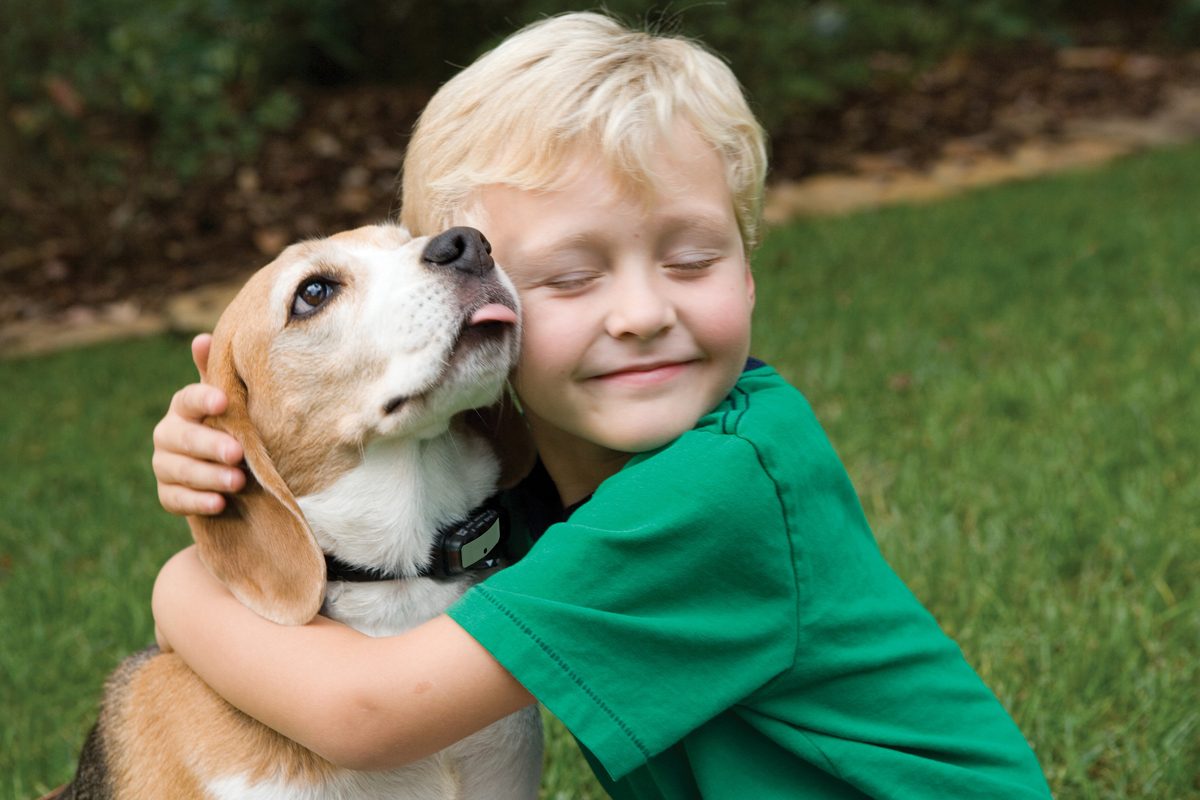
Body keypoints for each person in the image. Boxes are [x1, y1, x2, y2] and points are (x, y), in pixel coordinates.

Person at [150, 12, 1053, 798]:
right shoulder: (542, 462)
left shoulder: (717, 485)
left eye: (693, 259)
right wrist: (230, 456)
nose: (643, 314)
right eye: (572, 277)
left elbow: (371, 714)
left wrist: (185, 583)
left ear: (749, 263)